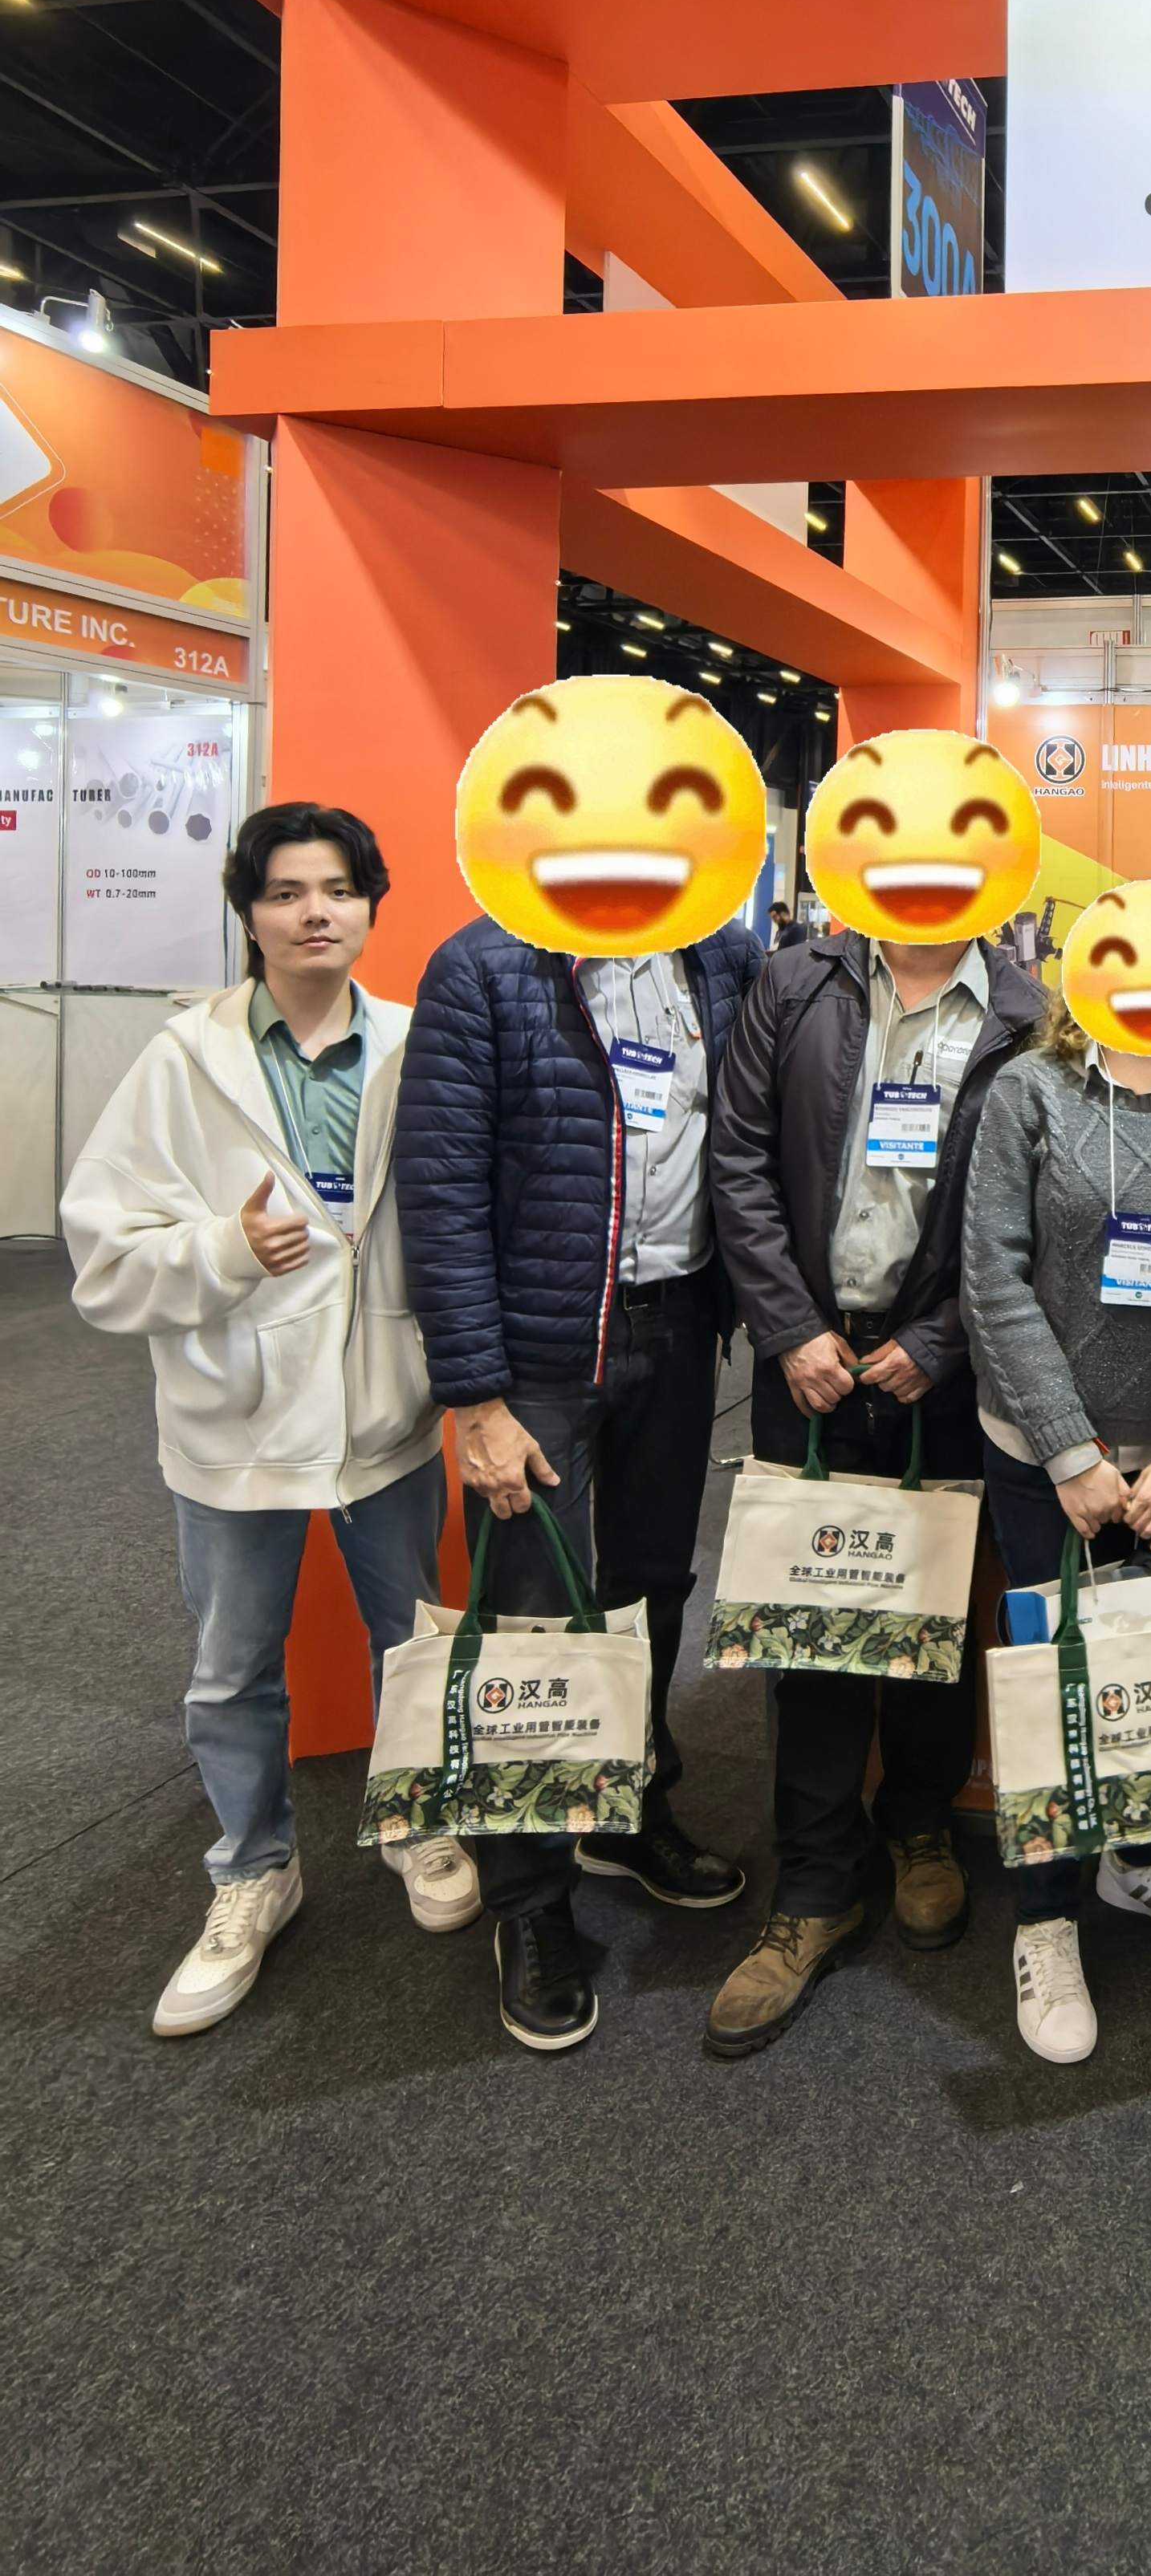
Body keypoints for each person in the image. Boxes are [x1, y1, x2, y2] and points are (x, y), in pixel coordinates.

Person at [63, 802, 469, 2035]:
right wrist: (224, 1250)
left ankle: (418, 1822)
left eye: (338, 889)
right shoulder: (183, 1063)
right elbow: (101, 1262)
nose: (314, 914)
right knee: (233, 1666)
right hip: (233, 1417)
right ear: (249, 913)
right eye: (286, 892)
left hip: (386, 1411)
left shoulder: (416, 1046)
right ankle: (252, 1870)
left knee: (414, 1641)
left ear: (371, 906)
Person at [397, 877, 760, 2054]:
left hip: (678, 1325)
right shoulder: (484, 965)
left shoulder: (718, 957)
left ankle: (626, 1803)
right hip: (538, 1358)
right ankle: (530, 1898)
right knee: (530, 1616)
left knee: (654, 1585)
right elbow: (440, 1191)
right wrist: (475, 1396)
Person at [702, 909, 1043, 2056]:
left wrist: (942, 1341)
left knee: (931, 1613)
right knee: (809, 1629)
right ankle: (812, 1882)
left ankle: (922, 1828)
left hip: (939, 1367)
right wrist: (787, 1329)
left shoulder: (1028, 1015)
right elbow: (738, 1160)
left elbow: (1028, 1212)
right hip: (806, 1359)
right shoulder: (796, 985)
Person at [962, 992, 1151, 2062]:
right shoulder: (1032, 1088)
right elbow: (992, 1279)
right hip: (1048, 1460)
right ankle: (1045, 1921)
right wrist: (1069, 1452)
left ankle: (1139, 1859)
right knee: (1059, 1684)